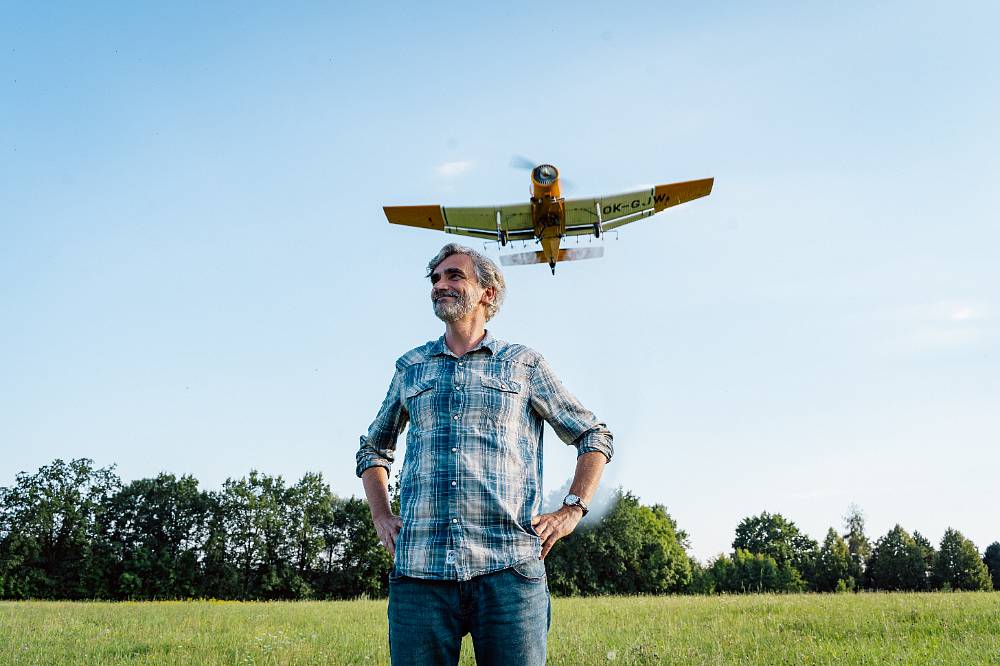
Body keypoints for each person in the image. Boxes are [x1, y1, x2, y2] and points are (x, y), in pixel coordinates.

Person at [356, 243, 613, 665]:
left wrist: (572, 508)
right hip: (420, 575)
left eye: (454, 276)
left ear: (488, 293)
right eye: (435, 278)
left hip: (509, 571)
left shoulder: (523, 364)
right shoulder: (411, 367)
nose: (440, 284)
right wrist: (381, 515)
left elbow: (593, 436)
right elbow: (374, 448)